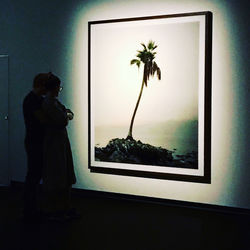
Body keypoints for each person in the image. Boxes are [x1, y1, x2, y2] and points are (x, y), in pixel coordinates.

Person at [41, 73, 78, 221]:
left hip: (59, 143)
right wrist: (65, 114)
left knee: (63, 174)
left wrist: (65, 114)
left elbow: (68, 114)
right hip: (54, 145)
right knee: (57, 175)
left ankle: (63, 208)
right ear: (54, 88)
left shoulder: (53, 103)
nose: (59, 90)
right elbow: (63, 119)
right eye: (59, 87)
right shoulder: (49, 104)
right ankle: (56, 210)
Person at [22, 73, 49, 221]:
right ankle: (29, 210)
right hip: (34, 142)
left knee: (34, 175)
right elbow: (43, 119)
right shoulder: (32, 100)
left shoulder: (34, 99)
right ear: (41, 85)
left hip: (34, 141)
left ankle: (31, 209)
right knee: (33, 176)